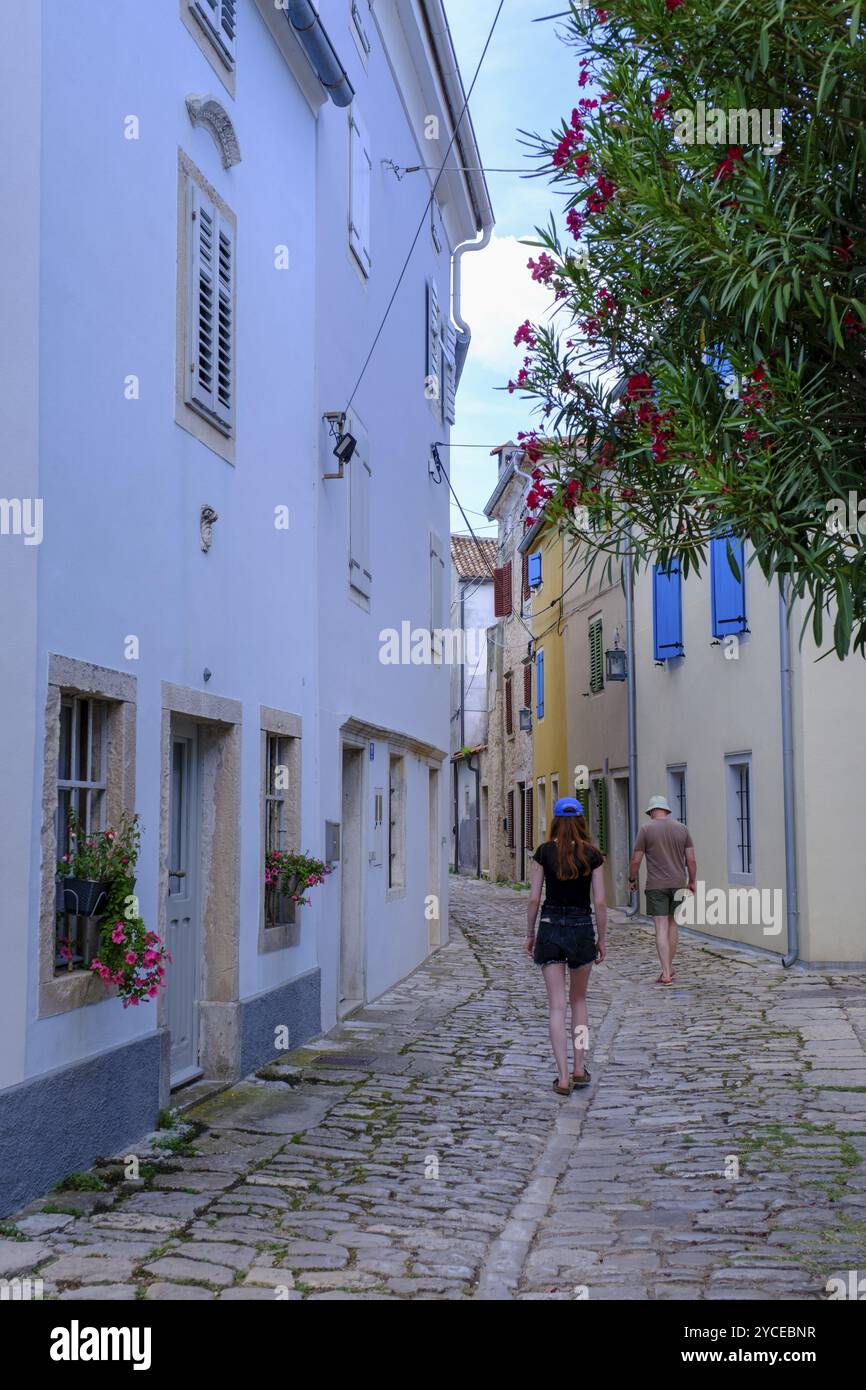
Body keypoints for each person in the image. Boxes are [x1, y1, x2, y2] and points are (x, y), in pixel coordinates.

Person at [526, 797, 607, 1096]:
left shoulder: (544, 853)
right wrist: (602, 938)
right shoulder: (593, 855)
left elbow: (534, 898)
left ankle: (561, 1077)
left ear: (556, 821)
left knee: (556, 1007)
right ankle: (579, 1066)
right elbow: (599, 901)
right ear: (582, 821)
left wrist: (529, 933)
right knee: (580, 1003)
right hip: (581, 929)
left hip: (549, 928)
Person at [628, 795, 697, 985]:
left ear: (651, 812)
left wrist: (632, 879)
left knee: (660, 927)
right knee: (673, 924)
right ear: (667, 811)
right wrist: (692, 881)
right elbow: (690, 860)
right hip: (678, 883)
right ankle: (670, 966)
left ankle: (666, 972)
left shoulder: (646, 829)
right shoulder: (682, 829)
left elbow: (636, 860)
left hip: (656, 885)